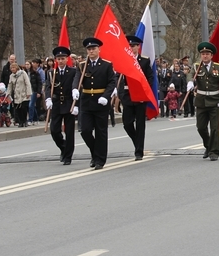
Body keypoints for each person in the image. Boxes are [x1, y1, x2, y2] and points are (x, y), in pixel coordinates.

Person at [73, 37, 116, 170]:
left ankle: (100, 160)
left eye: (93, 49)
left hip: (101, 102)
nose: (91, 51)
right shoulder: (82, 65)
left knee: (101, 132)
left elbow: (112, 82)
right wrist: (75, 89)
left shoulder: (106, 65)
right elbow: (77, 79)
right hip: (86, 102)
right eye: (89, 49)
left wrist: (106, 96)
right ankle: (94, 152)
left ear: (99, 50)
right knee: (85, 130)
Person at [117, 35, 153, 161]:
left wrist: (146, 93)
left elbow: (150, 78)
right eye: (129, 46)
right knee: (127, 124)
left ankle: (139, 151)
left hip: (140, 96)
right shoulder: (123, 60)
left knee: (140, 124)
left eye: (133, 45)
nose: (131, 48)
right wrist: (120, 94)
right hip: (127, 96)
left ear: (138, 46)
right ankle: (137, 142)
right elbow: (119, 79)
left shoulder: (144, 61)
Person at [194, 41, 219, 161]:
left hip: (214, 101)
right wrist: (189, 83)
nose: (205, 56)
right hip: (201, 101)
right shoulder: (196, 67)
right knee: (201, 127)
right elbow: (190, 79)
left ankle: (214, 152)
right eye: (203, 53)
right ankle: (208, 146)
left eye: (207, 53)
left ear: (211, 55)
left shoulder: (218, 67)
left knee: (214, 128)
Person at [44, 47, 77, 165]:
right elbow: (48, 87)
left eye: (63, 58)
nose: (61, 61)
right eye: (59, 59)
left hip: (69, 104)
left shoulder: (73, 71)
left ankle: (68, 156)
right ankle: (63, 147)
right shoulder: (51, 73)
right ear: (56, 60)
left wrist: (76, 104)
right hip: (56, 104)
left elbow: (76, 88)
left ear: (67, 59)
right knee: (54, 130)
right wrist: (48, 98)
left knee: (69, 132)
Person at [7, 62, 32, 127]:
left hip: (24, 94)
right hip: (16, 95)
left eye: (13, 68)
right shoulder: (11, 76)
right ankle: (20, 122)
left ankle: (25, 121)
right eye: (11, 68)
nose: (12, 69)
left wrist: (28, 92)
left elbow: (27, 83)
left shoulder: (23, 73)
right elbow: (10, 85)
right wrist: (8, 94)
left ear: (17, 68)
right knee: (18, 109)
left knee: (23, 108)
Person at [28, 59, 44, 125]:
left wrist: (39, 92)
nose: (33, 64)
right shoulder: (29, 72)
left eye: (34, 63)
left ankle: (30, 119)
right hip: (29, 91)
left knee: (31, 105)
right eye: (32, 62)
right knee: (32, 106)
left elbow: (40, 82)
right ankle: (36, 118)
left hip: (34, 90)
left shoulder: (37, 72)